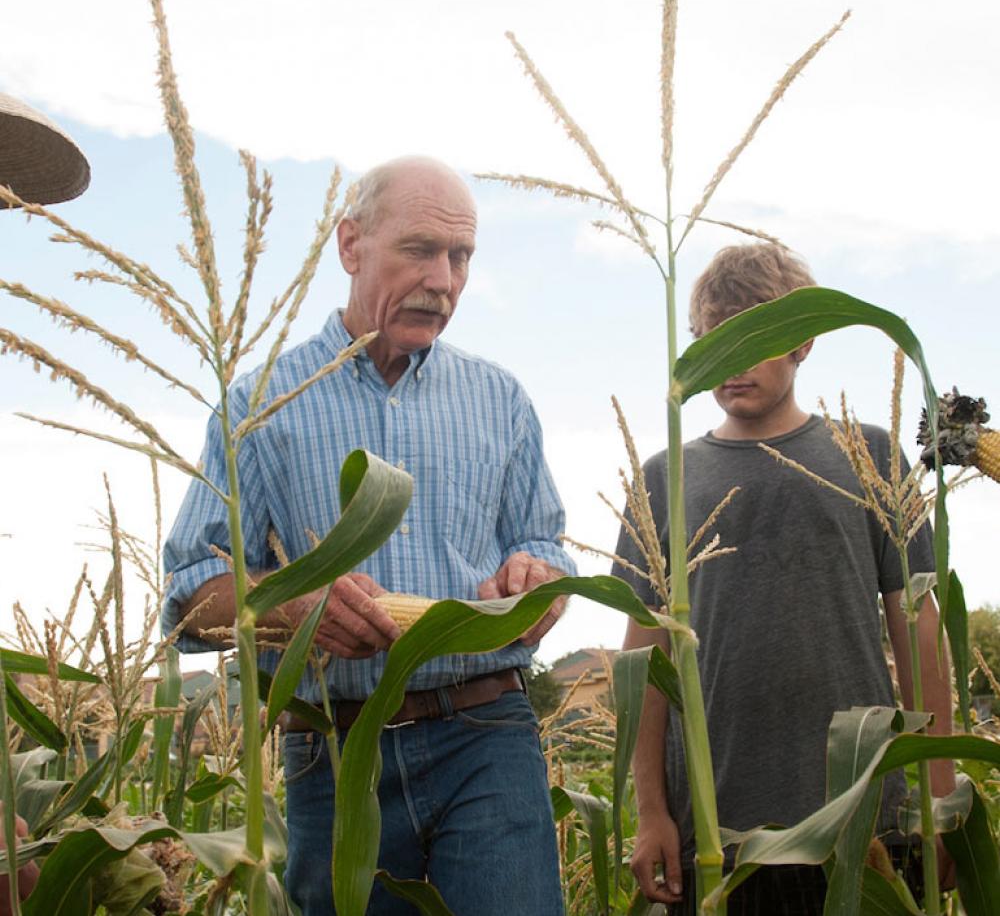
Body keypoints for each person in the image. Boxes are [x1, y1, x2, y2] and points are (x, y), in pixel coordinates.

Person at [162, 156, 573, 915]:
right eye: (420, 250)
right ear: (351, 246)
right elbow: (192, 590)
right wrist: (296, 605)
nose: (444, 280)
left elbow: (546, 548)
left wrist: (538, 582)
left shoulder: (501, 399)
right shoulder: (259, 405)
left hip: (486, 730)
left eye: (461, 257)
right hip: (335, 752)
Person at [614, 243, 955, 915]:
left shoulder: (871, 455)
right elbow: (641, 657)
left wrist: (939, 794)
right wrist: (650, 811)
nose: (730, 360)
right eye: (713, 341)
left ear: (802, 340)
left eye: (753, 336)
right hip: (714, 835)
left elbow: (918, 627)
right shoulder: (665, 478)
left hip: (863, 821)